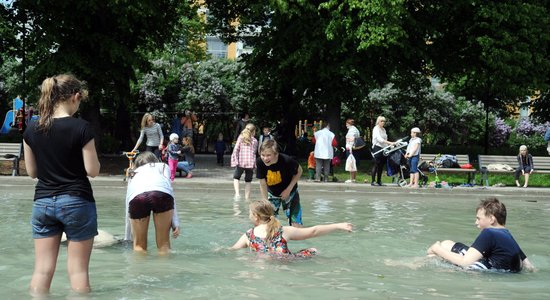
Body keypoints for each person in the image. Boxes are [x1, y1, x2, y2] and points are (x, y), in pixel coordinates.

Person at [23, 74, 100, 295]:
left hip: (43, 203)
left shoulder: (32, 128)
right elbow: (92, 171)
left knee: (42, 271)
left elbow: (32, 172)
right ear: (76, 97)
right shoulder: (81, 128)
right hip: (77, 201)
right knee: (78, 272)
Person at [427, 197, 535, 273]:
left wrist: (437, 249)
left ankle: (415, 264)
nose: (476, 222)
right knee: (442, 249)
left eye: (478, 218)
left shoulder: (489, 232)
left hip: (485, 271)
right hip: (501, 271)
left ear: (492, 219)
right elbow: (529, 266)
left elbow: (465, 263)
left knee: (442, 246)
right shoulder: (508, 235)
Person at [230, 200, 353, 257]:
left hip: (260, 267)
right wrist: (338, 225)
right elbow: (313, 231)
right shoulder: (283, 230)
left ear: (256, 217)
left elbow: (232, 249)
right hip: (287, 265)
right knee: (313, 250)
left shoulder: (249, 235)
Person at [124, 151, 180, 255]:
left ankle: (140, 271)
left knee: (139, 246)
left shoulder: (133, 173)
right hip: (162, 194)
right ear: (155, 160)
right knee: (164, 246)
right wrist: (175, 222)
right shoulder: (163, 166)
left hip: (137, 196)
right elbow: (169, 190)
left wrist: (127, 237)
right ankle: (164, 270)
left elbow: (128, 201)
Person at [256, 139, 303, 227]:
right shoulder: (260, 162)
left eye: (268, 155)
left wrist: (288, 190)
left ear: (276, 154)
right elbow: (262, 183)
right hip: (272, 194)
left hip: (290, 193)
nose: (265, 158)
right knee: (268, 224)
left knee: (296, 226)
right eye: (263, 155)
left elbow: (300, 171)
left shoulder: (287, 160)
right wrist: (265, 201)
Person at [231, 123, 258, 200]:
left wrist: (235, 160)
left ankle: (237, 194)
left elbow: (236, 149)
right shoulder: (255, 141)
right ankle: (247, 198)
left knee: (236, 178)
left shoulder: (241, 138)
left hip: (241, 162)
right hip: (250, 163)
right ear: (253, 132)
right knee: (248, 181)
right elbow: (254, 152)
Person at [371, 116, 395, 186]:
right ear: (378, 121)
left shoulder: (384, 130)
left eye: (384, 121)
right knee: (376, 164)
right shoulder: (376, 129)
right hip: (377, 147)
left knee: (381, 165)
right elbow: (379, 139)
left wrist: (389, 146)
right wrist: (390, 142)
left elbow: (385, 139)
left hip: (384, 149)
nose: (383, 122)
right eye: (381, 121)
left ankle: (379, 181)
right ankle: (373, 181)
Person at [344, 118, 360, 183]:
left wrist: (350, 148)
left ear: (349, 124)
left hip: (351, 149)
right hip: (355, 149)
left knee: (351, 163)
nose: (346, 125)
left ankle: (351, 179)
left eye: (347, 124)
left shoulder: (351, 130)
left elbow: (351, 139)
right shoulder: (355, 129)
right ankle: (354, 178)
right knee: (354, 163)